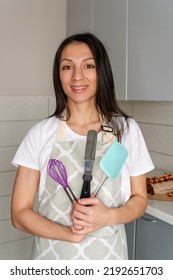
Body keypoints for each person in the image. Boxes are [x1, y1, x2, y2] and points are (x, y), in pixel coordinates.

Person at [11, 32, 154, 260]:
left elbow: (140, 200)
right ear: (59, 75)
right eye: (67, 67)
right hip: (53, 259)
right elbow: (19, 214)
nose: (77, 76)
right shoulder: (40, 134)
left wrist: (107, 217)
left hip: (109, 259)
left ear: (102, 72)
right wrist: (69, 234)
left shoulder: (126, 130)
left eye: (88, 65)